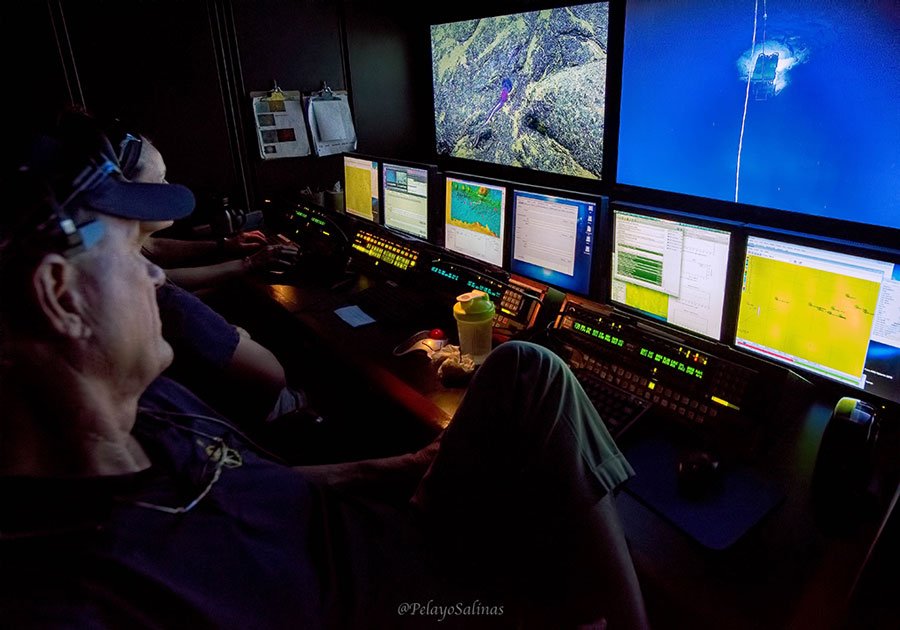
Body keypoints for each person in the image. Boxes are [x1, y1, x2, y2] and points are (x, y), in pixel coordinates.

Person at [0, 118, 648, 628]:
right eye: (134, 253)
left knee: (526, 368)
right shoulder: (85, 597)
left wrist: (375, 471)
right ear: (60, 294)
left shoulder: (152, 410)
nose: (153, 277)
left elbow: (248, 491)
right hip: (417, 604)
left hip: (380, 524)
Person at [108, 125, 299, 291]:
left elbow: (153, 246)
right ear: (122, 190)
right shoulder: (100, 255)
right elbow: (160, 282)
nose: (168, 186)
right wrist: (249, 264)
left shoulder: (103, 231)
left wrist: (225, 245)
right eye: (159, 178)